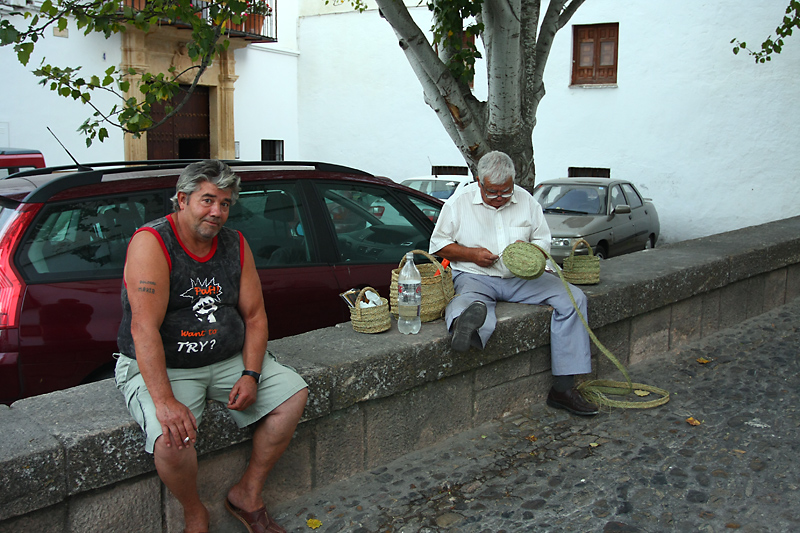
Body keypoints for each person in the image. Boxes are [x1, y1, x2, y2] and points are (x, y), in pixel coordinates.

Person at [115, 160, 309, 533]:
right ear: (182, 199)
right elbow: (143, 328)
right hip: (167, 364)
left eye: (224, 204)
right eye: (207, 201)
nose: (217, 212)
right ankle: (194, 512)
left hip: (227, 358)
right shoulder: (152, 242)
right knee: (171, 440)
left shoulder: (234, 244)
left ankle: (247, 493)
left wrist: (251, 374)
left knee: (291, 395)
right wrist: (165, 400)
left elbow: (254, 316)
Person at [429, 151, 598, 416]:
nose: (499, 198)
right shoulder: (458, 203)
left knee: (574, 299)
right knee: (468, 300)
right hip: (476, 275)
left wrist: (529, 250)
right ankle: (465, 324)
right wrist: (472, 254)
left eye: (505, 191)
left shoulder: (527, 200)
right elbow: (438, 245)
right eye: (492, 192)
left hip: (523, 278)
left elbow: (543, 240)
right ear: (478, 181)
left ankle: (563, 389)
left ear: (513, 181)